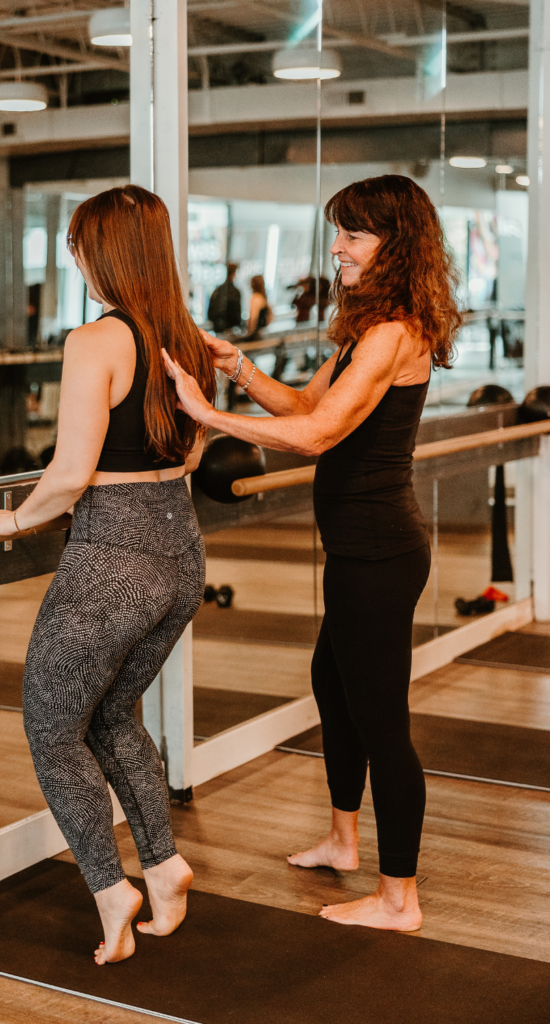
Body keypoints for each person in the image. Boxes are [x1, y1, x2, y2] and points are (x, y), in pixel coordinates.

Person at [163, 174, 462, 933]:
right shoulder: (373, 328)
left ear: (396, 245)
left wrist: (208, 415)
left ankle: (399, 897)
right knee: (332, 686)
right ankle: (340, 838)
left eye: (354, 234)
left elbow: (315, 437)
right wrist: (236, 370)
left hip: (378, 552)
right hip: (359, 547)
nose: (337, 247)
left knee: (381, 721)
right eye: (339, 232)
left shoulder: (395, 333)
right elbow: (305, 405)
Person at [0, 184, 216, 964]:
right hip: (180, 550)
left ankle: (111, 889)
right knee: (112, 715)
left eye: (76, 242)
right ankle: (164, 868)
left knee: (48, 722)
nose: (73, 256)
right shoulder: (187, 338)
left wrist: (11, 519)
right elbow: (191, 452)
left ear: (97, 252)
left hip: (113, 557)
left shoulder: (96, 340)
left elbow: (69, 475)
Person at [207, 262, 242, 334]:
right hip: (229, 330)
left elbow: (210, 312)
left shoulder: (218, 290)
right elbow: (236, 314)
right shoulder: (235, 291)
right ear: (234, 274)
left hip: (217, 329)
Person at [243, 274, 273, 340]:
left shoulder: (255, 298)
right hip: (261, 332)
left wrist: (249, 332)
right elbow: (271, 316)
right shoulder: (263, 298)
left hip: (255, 333)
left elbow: (253, 317)